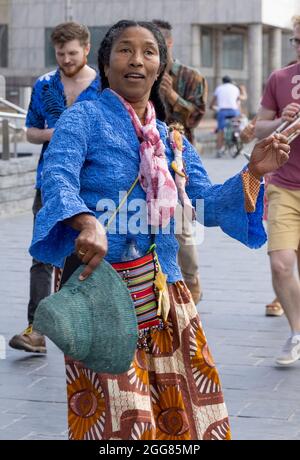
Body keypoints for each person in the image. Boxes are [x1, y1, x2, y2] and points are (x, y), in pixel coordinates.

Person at [29, 20, 291, 440]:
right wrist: (85, 221)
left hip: (167, 293)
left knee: (182, 414)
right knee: (122, 422)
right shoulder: (84, 118)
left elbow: (205, 203)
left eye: (148, 51)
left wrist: (254, 171)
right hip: (101, 292)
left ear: (160, 66)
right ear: (107, 61)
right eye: (125, 50)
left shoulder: (173, 139)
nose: (137, 60)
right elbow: (57, 176)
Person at [9, 22, 101, 354]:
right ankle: (37, 330)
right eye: (61, 54)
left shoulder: (104, 86)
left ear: (86, 49)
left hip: (93, 182)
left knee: (87, 254)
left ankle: (86, 326)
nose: (66, 59)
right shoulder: (45, 84)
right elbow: (31, 131)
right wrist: (57, 133)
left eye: (72, 53)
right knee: (42, 253)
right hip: (49, 181)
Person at [152, 19, 208, 304]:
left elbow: (198, 117)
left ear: (169, 43)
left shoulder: (190, 76)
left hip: (180, 160)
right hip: (145, 160)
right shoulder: (140, 73)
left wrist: (173, 95)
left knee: (183, 226)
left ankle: (191, 278)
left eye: (159, 42)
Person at [255, 54, 300, 365]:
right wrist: (283, 120)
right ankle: (296, 333)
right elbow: (260, 128)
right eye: (297, 38)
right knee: (281, 264)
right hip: (284, 185)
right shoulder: (280, 79)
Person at [210, 76, 241, 157]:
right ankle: (236, 138)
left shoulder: (219, 88)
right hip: (234, 111)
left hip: (223, 111)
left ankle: (219, 150)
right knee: (236, 125)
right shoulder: (235, 88)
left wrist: (211, 107)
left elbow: (212, 103)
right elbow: (238, 100)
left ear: (223, 82)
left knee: (220, 130)